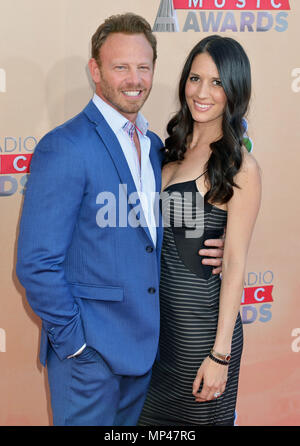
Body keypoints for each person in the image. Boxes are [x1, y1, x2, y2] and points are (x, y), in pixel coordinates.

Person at [16, 14, 224, 426]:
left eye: (143, 67)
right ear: (95, 70)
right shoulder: (65, 147)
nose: (135, 78)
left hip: (145, 354)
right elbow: (36, 264)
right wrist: (75, 346)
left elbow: (146, 235)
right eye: (121, 66)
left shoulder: (151, 146)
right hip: (88, 359)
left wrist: (220, 249)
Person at [139, 35, 261, 426]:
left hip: (201, 336)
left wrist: (219, 354)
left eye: (217, 82)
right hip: (155, 336)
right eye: (195, 78)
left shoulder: (240, 166)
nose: (202, 92)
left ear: (235, 91)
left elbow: (236, 264)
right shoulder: (166, 149)